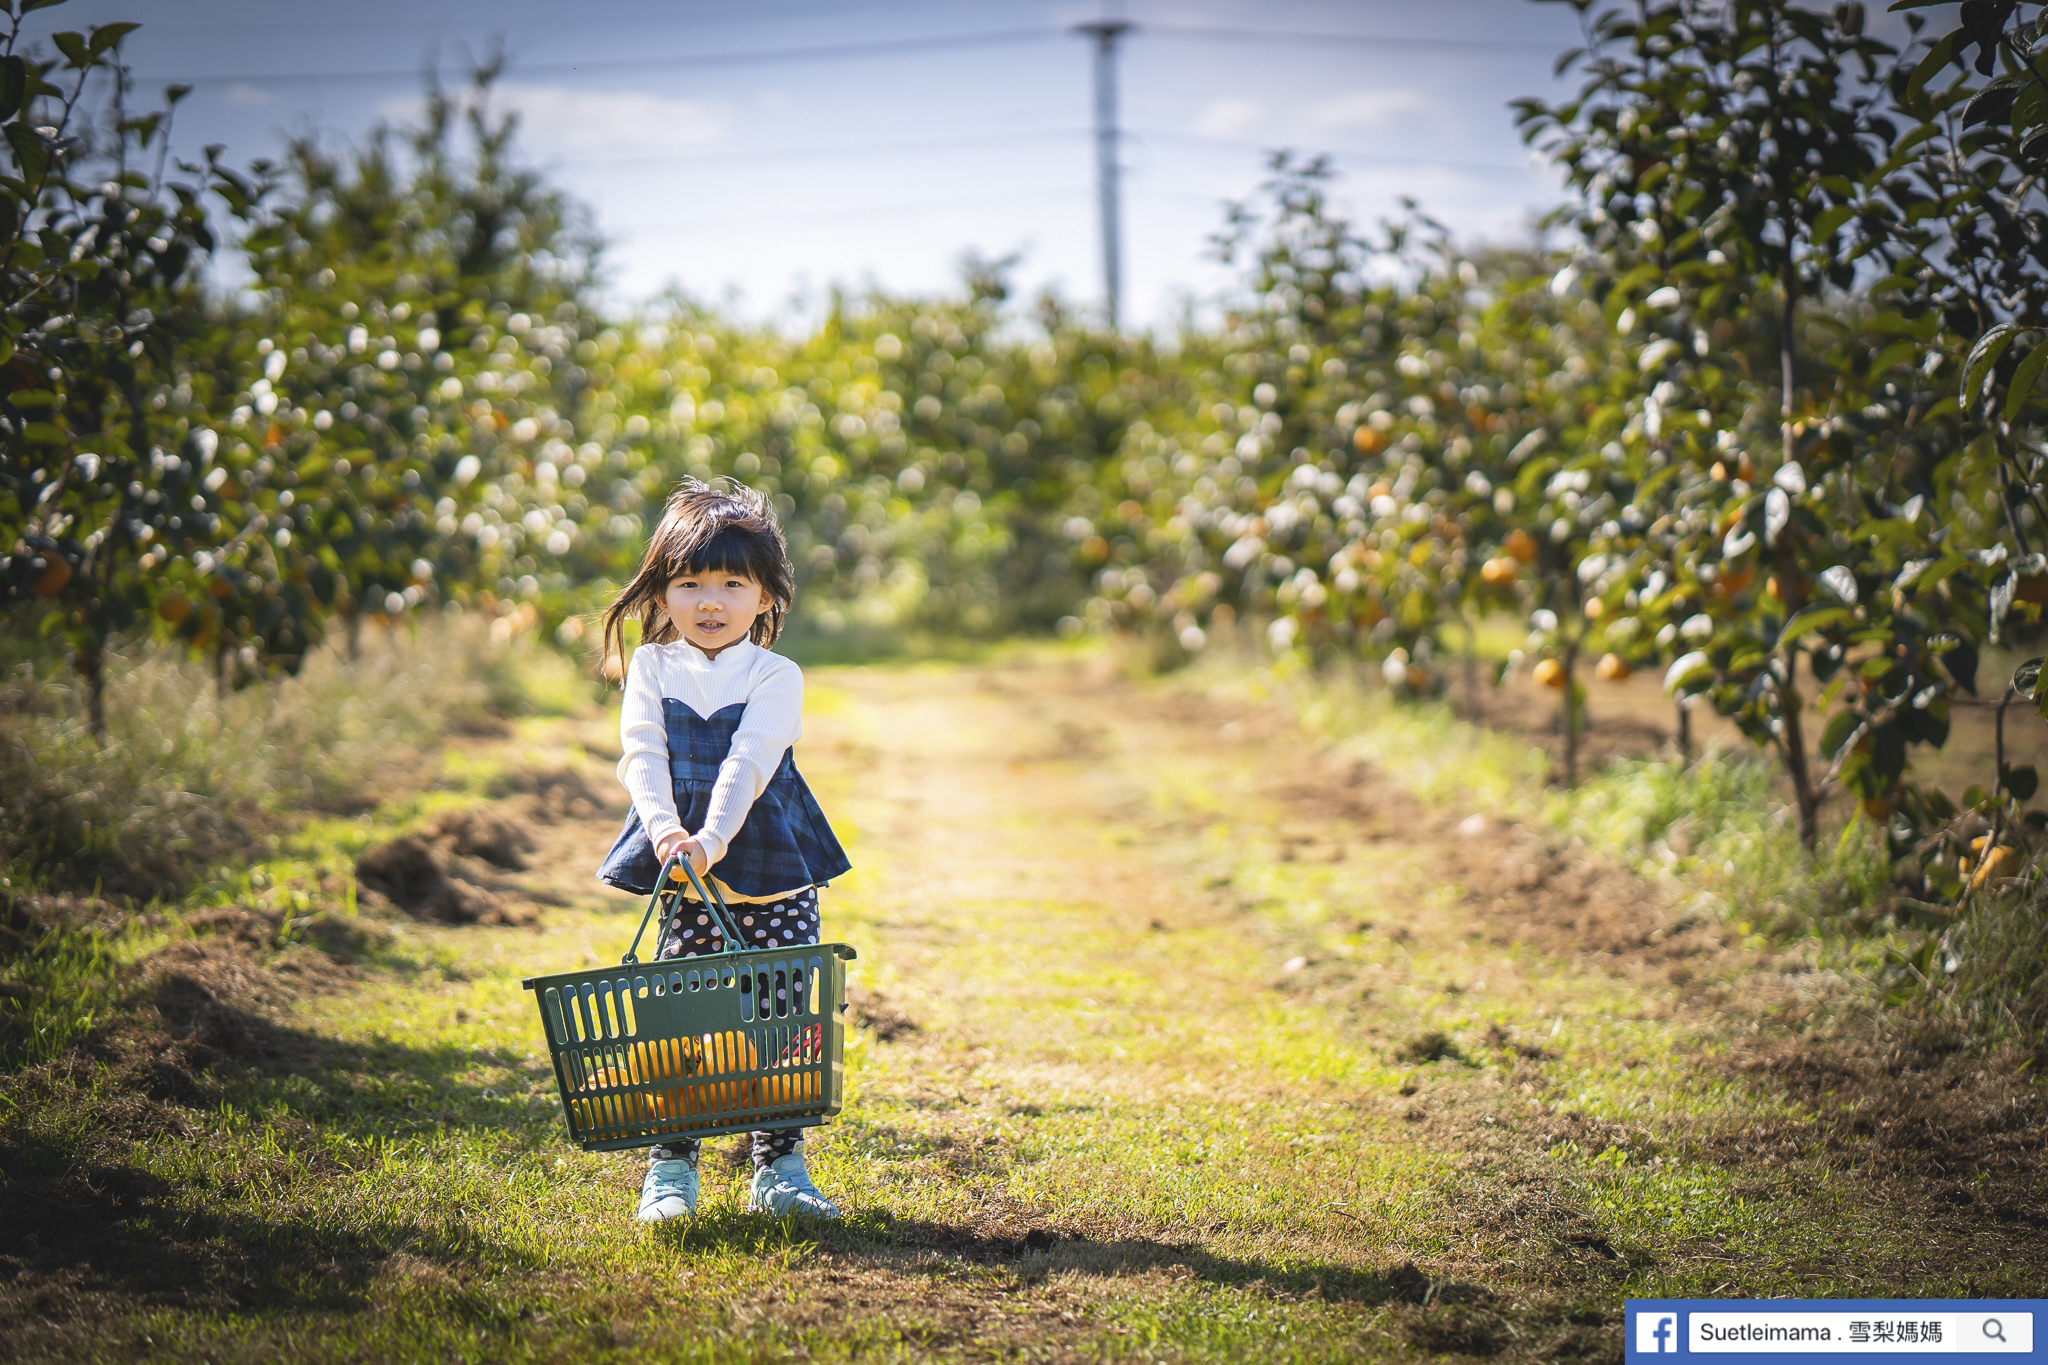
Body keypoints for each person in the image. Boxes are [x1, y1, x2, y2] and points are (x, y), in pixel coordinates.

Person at [595, 478, 852, 1224]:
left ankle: (779, 1166)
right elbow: (640, 753)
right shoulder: (651, 667)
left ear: (767, 596)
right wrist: (667, 829)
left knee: (777, 1023)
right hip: (686, 870)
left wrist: (711, 837)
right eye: (690, 582)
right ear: (663, 592)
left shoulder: (775, 675)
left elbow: (749, 759)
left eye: (733, 583)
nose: (711, 601)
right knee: (680, 1022)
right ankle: (671, 1171)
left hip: (768, 868)